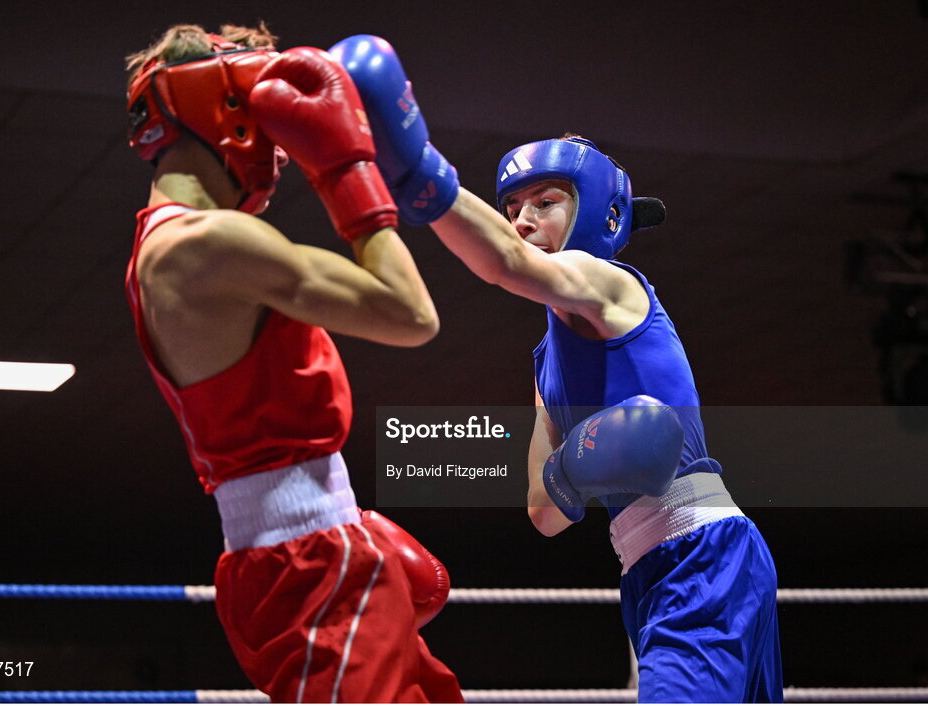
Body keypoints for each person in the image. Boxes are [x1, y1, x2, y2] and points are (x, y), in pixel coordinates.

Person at [331, 34, 784, 703]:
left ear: (601, 211)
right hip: (651, 569)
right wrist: (578, 466)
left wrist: (418, 174)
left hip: (702, 554)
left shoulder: (610, 285)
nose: (522, 221)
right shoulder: (546, 364)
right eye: (513, 209)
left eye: (545, 202)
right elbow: (546, 514)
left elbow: (506, 265)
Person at [122, 24, 463, 703]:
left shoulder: (160, 248)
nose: (280, 148)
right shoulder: (206, 245)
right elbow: (410, 313)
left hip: (302, 554)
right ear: (228, 113)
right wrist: (347, 169)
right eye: (269, 119)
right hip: (311, 568)